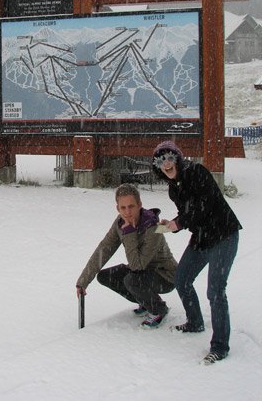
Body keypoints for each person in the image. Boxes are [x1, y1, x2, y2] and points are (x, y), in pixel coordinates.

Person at [152, 140, 242, 365]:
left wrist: (178, 223)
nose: (166, 163)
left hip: (224, 234)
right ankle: (195, 322)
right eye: (160, 160)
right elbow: (189, 215)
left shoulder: (196, 172)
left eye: (170, 157)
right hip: (202, 238)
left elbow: (205, 205)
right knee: (182, 279)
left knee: (215, 290)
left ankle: (220, 346)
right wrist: (171, 224)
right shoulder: (174, 188)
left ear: (178, 158)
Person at [75, 183, 177, 329]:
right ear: (117, 208)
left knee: (131, 280)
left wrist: (129, 233)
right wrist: (83, 281)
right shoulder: (119, 223)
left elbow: (137, 266)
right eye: (123, 208)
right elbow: (104, 249)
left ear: (140, 205)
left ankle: (158, 310)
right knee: (105, 276)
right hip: (142, 273)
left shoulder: (153, 227)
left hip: (165, 276)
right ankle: (146, 301)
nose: (127, 212)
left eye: (131, 206)